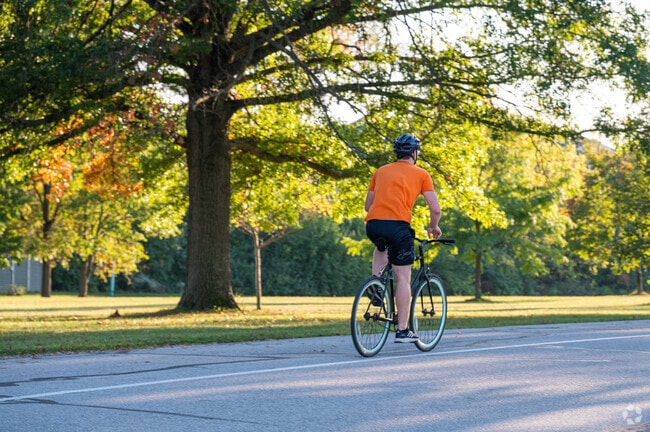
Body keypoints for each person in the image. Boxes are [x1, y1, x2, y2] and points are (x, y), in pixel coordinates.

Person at [364, 133, 442, 343]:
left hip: (373, 224)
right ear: (414, 153)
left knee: (381, 246)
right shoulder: (421, 174)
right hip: (398, 226)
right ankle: (402, 329)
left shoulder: (380, 171)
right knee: (403, 277)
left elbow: (367, 206)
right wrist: (433, 226)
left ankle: (376, 284)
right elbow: (435, 208)